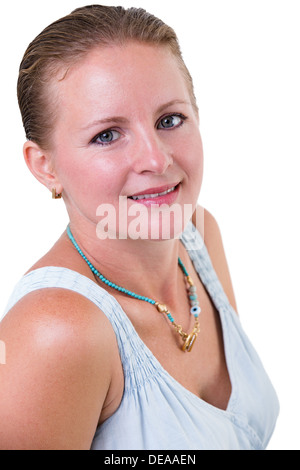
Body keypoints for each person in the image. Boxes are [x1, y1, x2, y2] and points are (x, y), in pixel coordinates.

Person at [0, 5, 279, 450]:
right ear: (44, 166)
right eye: (107, 135)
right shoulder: (55, 332)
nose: (156, 160)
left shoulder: (199, 236)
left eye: (170, 120)